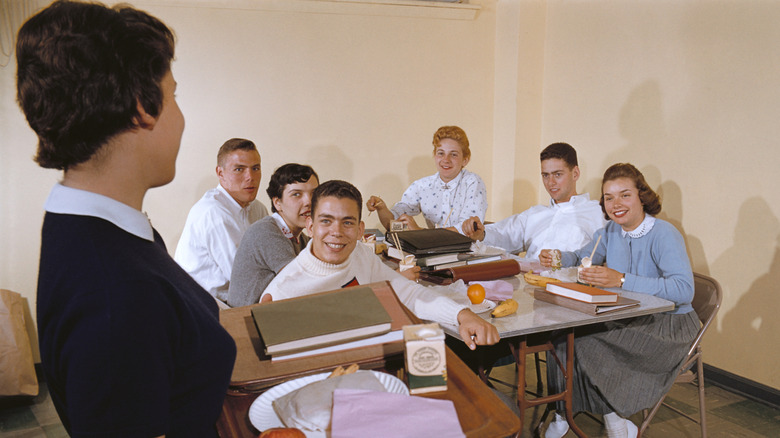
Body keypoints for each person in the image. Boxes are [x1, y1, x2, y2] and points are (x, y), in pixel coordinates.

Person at [17, 1, 236, 436]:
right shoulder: (115, 294)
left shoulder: (95, 224)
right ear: (142, 107)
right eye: (173, 95)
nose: (180, 116)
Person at [538, 163, 699, 438]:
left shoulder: (664, 234)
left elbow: (684, 290)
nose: (616, 204)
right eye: (609, 197)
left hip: (669, 326)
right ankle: (565, 412)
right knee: (562, 333)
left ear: (642, 196)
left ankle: (614, 421)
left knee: (585, 342)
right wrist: (557, 257)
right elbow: (580, 257)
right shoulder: (611, 231)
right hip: (630, 316)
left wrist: (621, 280)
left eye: (625, 195)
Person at [262, 180, 500, 350]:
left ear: (360, 230)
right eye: (326, 221)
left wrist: (462, 314)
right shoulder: (283, 290)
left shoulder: (360, 255)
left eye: (347, 223)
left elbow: (406, 293)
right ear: (310, 226)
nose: (336, 233)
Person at [461, 142, 605, 260]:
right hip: (529, 285)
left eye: (558, 174)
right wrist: (481, 234)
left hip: (572, 289)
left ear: (575, 173)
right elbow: (504, 234)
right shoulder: (535, 214)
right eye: (545, 175)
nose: (551, 182)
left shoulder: (598, 213)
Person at [175, 138, 269, 303]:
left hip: (235, 302)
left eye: (256, 168)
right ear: (220, 173)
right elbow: (245, 280)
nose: (250, 177)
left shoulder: (257, 208)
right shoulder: (214, 213)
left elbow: (270, 261)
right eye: (239, 169)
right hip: (204, 307)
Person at [228, 163, 319, 307]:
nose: (309, 202)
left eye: (314, 194)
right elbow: (301, 283)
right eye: (296, 194)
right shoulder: (266, 232)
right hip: (245, 320)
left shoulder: (301, 238)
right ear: (278, 203)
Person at [366, 126, 487, 232]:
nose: (446, 159)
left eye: (453, 154)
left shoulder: (472, 182)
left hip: (469, 254)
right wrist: (381, 208)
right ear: (434, 155)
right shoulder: (422, 186)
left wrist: (418, 231)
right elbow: (393, 224)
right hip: (434, 252)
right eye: (441, 153)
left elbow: (467, 230)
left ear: (465, 159)